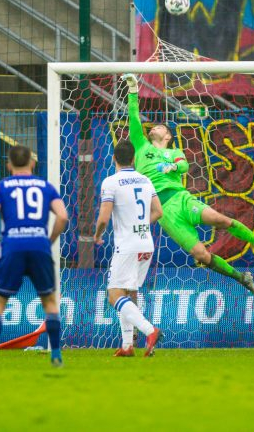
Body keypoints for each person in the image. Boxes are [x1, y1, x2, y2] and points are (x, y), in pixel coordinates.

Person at [123, 74, 254, 298]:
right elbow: (133, 118)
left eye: (160, 126)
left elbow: (184, 164)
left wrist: (173, 168)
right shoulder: (141, 147)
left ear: (168, 135)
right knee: (201, 256)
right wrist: (133, 90)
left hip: (182, 199)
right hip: (164, 212)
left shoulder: (173, 152)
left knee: (221, 220)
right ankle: (242, 278)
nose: (155, 127)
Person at [0, 145, 69, 369]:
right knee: (49, 301)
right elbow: (63, 216)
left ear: (8, 165)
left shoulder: (2, 187)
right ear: (32, 163)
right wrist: (49, 239)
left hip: (12, 247)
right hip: (39, 246)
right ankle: (56, 356)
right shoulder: (45, 186)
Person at [94, 140, 164, 357]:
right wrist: (141, 226)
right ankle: (127, 346)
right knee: (129, 291)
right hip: (145, 243)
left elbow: (104, 217)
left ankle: (149, 330)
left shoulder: (111, 182)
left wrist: (97, 235)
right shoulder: (145, 180)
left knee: (114, 294)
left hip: (127, 246)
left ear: (113, 158)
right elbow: (158, 212)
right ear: (133, 159)